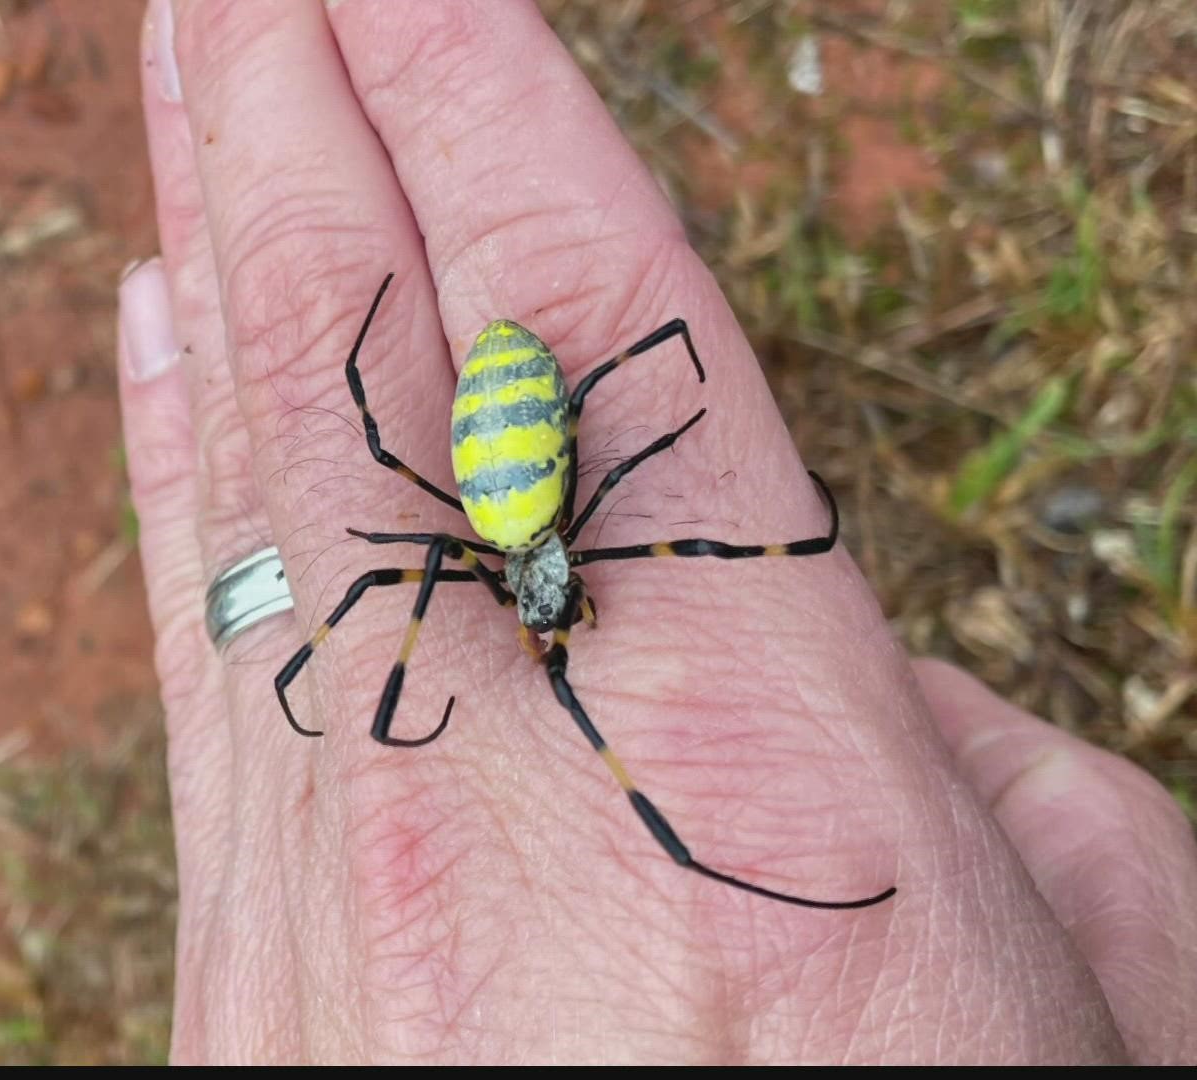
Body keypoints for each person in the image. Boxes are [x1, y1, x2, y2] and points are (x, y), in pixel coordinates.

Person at [111, 0, 1197, 1064]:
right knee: (434, 559)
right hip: (515, 475)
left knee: (527, 546)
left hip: (508, 479)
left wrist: (787, 539)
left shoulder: (505, 557)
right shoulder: (533, 551)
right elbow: (392, 569)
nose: (552, 609)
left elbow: (679, 537)